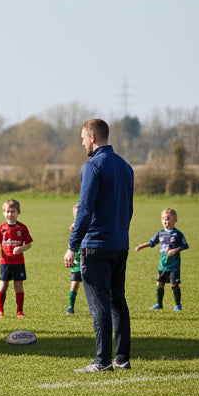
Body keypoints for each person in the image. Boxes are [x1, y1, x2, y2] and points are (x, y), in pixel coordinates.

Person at [66, 118, 134, 373]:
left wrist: (73, 245)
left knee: (100, 305)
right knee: (118, 301)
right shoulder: (126, 167)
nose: (82, 142)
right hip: (120, 244)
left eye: (83, 138)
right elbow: (128, 209)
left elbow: (84, 210)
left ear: (92, 137)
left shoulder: (92, 166)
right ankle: (122, 358)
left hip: (96, 246)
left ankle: (102, 361)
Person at [135, 208, 188, 311]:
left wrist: (175, 250)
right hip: (162, 265)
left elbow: (185, 245)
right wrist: (140, 246)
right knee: (159, 283)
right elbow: (151, 243)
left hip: (174, 266)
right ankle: (159, 304)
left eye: (168, 219)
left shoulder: (177, 234)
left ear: (175, 220)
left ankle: (178, 305)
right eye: (163, 218)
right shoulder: (160, 234)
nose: (165, 221)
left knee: (174, 283)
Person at [0, 199, 32, 319]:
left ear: (18, 212)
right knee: (3, 286)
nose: (10, 214)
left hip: (18, 262)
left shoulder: (22, 228)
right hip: (5, 262)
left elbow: (29, 244)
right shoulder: (1, 228)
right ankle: (0, 311)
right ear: (4, 213)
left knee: (18, 285)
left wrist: (21, 248)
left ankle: (19, 311)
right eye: (7, 212)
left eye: (13, 211)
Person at [66, 203, 84, 316]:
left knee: (93, 285)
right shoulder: (75, 228)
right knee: (75, 283)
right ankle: (71, 306)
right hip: (77, 260)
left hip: (90, 258)